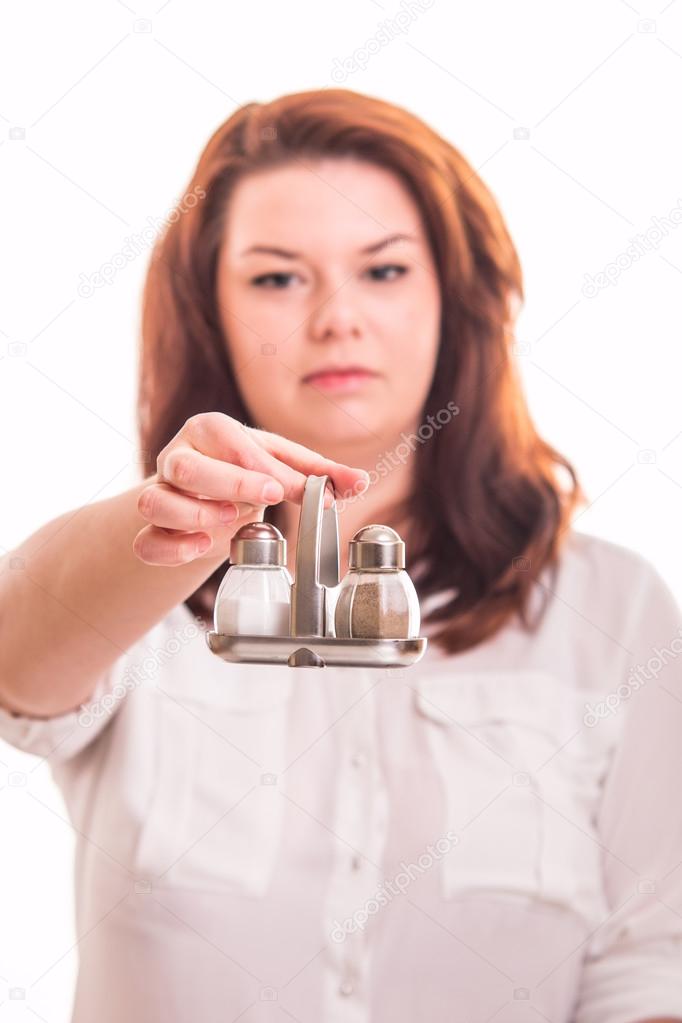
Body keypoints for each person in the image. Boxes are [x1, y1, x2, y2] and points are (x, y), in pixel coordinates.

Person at [1, 87, 681, 1023]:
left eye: (385, 271)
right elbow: (16, 659)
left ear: (456, 296)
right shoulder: (135, 583)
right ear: (213, 312)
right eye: (277, 278)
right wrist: (171, 527)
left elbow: (652, 959)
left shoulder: (615, 607)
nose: (335, 319)